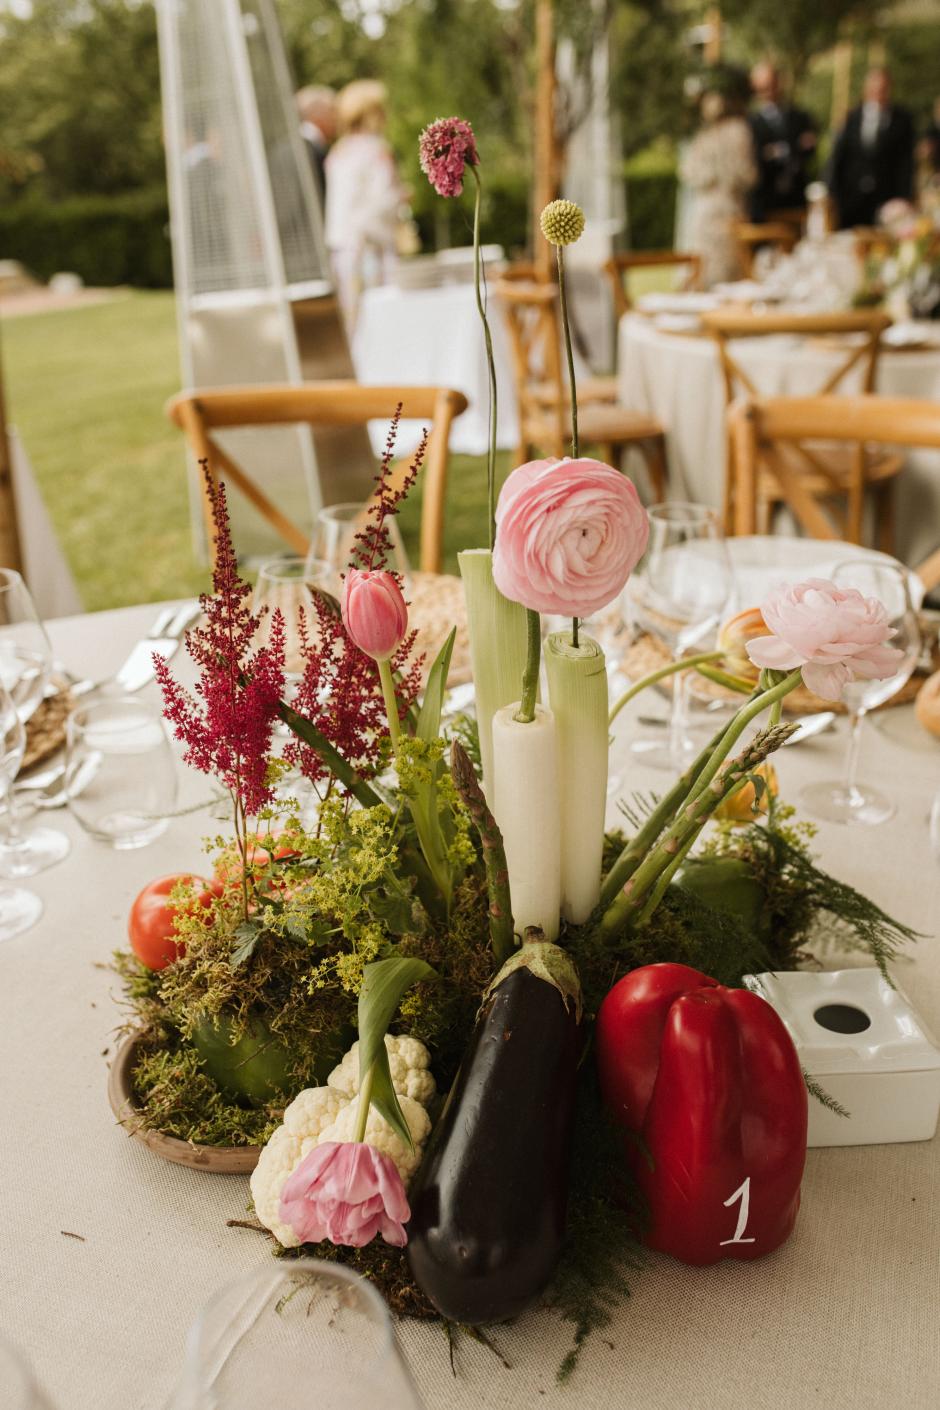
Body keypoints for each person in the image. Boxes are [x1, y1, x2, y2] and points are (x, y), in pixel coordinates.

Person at [324, 79, 407, 326]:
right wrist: (400, 196)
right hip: (370, 249)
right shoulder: (377, 150)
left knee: (354, 324)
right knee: (382, 319)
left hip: (342, 250)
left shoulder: (338, 153)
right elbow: (383, 200)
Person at [680, 71, 758, 288]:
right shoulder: (738, 131)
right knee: (725, 277)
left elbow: (689, 173)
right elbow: (747, 175)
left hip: (707, 212)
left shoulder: (704, 136)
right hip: (726, 211)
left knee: (713, 274)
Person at [827, 68, 915, 229]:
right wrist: (831, 193)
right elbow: (837, 158)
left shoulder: (903, 120)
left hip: (887, 200)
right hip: (850, 200)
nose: (878, 93)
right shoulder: (850, 118)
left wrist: (905, 198)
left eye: (883, 89)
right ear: (866, 89)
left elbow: (907, 163)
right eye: (874, 88)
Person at [748, 61, 817, 220]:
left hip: (795, 199)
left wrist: (776, 151)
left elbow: (809, 148)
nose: (769, 91)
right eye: (763, 87)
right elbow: (755, 157)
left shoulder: (799, 117)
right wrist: (794, 147)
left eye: (772, 84)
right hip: (765, 202)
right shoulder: (750, 123)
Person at [295, 85, 337, 204]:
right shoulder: (317, 152)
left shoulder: (279, 152)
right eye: (332, 111)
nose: (336, 119)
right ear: (318, 113)